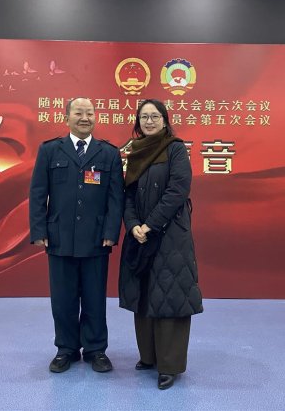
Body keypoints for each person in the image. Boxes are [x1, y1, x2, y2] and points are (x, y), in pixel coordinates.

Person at [29, 97, 124, 373]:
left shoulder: (108, 153)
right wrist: (39, 230)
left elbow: (115, 197)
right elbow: (38, 193)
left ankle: (96, 349)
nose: (85, 118)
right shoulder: (50, 150)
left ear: (96, 117)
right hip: (59, 237)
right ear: (67, 118)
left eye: (90, 113)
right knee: (63, 299)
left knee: (95, 297)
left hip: (96, 238)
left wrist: (111, 231)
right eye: (79, 113)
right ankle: (66, 349)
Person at [119, 99, 203, 390]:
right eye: (144, 117)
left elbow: (178, 190)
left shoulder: (175, 149)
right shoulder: (134, 151)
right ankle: (149, 356)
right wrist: (133, 225)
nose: (149, 121)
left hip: (169, 235)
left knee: (170, 294)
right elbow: (127, 195)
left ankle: (169, 365)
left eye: (155, 116)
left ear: (165, 120)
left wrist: (150, 224)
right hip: (140, 235)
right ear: (138, 122)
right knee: (143, 294)